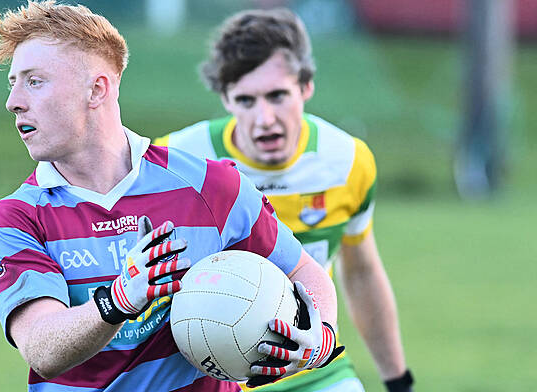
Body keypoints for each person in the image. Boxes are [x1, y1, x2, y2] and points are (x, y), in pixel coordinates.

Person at [0, 1, 343, 391]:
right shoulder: (16, 218)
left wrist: (318, 337)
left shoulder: (211, 186)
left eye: (34, 81)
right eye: (13, 82)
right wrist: (118, 299)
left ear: (96, 89)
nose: (13, 100)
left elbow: (303, 271)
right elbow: (42, 349)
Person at [155, 8, 414, 392]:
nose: (265, 119)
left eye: (278, 96)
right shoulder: (177, 162)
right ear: (225, 98)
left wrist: (398, 380)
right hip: (208, 375)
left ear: (306, 86)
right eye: (246, 100)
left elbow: (360, 272)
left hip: (314, 367)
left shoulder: (346, 161)